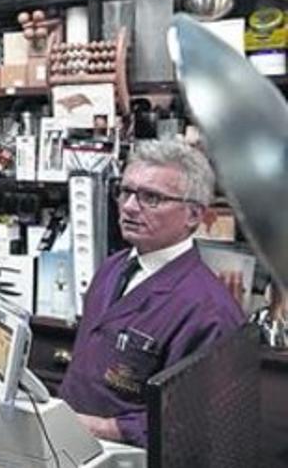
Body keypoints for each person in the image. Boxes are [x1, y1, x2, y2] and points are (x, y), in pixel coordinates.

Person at [60, 139, 244, 448]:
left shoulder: (210, 312)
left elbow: (198, 422)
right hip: (68, 443)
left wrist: (107, 428)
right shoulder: (113, 267)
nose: (130, 207)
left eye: (152, 198)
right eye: (126, 191)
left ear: (194, 215)